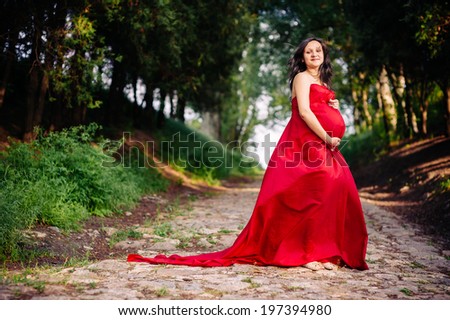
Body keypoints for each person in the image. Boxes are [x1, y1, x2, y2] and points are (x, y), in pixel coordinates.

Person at [128, 37, 369, 271]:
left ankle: (321, 249)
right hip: (304, 142)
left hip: (323, 145)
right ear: (303, 57)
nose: (314, 54)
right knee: (305, 193)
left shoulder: (325, 84)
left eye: (318, 50)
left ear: (324, 55)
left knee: (336, 188)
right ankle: (303, 252)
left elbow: (321, 110)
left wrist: (333, 108)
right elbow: (305, 112)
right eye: (309, 51)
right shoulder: (302, 78)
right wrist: (327, 137)